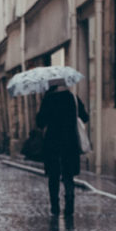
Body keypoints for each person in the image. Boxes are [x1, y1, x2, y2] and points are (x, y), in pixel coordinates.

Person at [36, 78, 89, 217]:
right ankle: (69, 205)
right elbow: (85, 117)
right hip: (70, 142)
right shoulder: (73, 98)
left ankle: (55, 206)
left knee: (53, 176)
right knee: (68, 175)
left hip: (52, 143)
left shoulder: (48, 99)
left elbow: (40, 122)